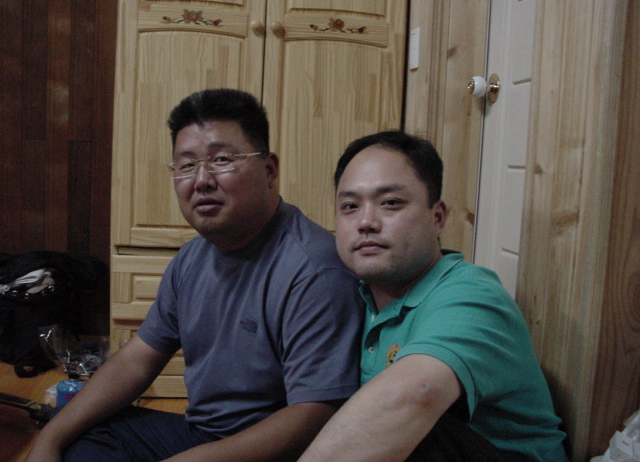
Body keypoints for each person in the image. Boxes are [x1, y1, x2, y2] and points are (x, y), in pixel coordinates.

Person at [25, 88, 362, 462]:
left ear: (269, 171)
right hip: (203, 435)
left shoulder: (315, 270)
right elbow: (137, 359)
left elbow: (314, 415)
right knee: (80, 431)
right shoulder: (191, 258)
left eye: (222, 160)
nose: (202, 180)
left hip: (279, 452)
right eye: (186, 165)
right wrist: (49, 439)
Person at [298, 131, 569, 462]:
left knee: (406, 422)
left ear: (437, 217)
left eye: (391, 203)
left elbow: (416, 394)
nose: (366, 221)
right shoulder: (351, 297)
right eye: (350, 207)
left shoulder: (473, 295)